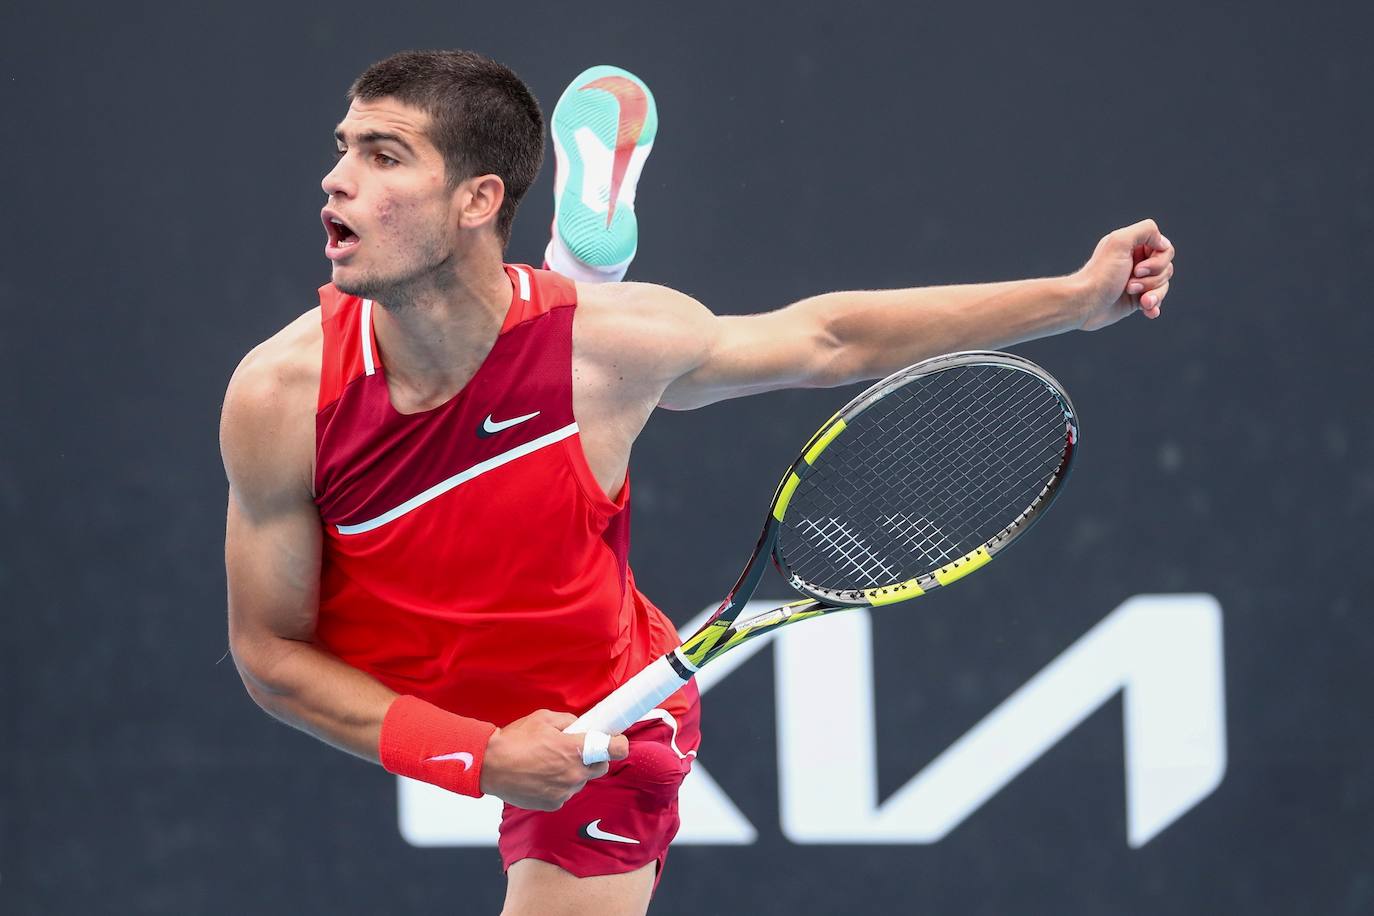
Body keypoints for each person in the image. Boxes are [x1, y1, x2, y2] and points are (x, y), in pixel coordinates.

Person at [219, 49, 1175, 916]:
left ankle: (583, 277)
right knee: (584, 342)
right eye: (344, 148)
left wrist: (1075, 300)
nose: (334, 179)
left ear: (477, 200)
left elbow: (829, 339)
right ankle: (586, 268)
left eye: (383, 156)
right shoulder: (281, 397)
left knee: (595, 347)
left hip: (607, 711)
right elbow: (270, 653)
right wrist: (479, 755)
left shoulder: (606, 355)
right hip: (429, 689)